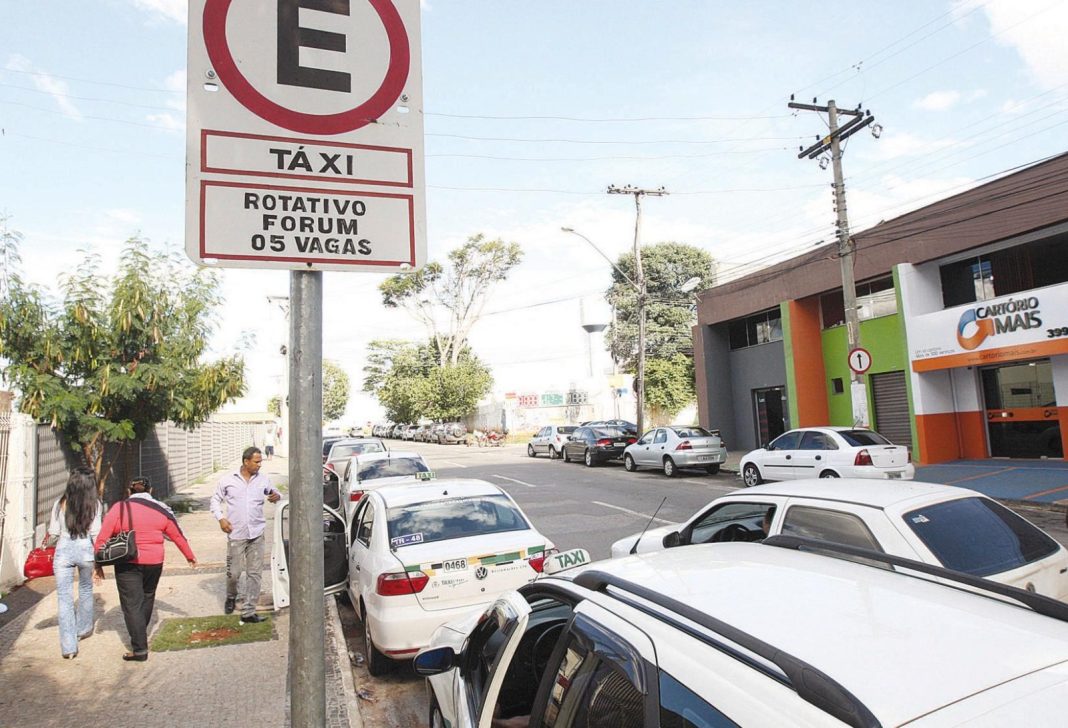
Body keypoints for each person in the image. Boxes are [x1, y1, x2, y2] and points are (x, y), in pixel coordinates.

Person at [94, 475, 196, 662]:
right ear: (151, 491)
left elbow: (103, 536)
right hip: (154, 561)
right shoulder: (161, 509)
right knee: (148, 596)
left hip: (127, 561)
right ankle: (140, 633)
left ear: (129, 491)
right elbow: (176, 535)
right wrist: (189, 556)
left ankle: (140, 649)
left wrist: (97, 563)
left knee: (131, 604)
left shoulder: (120, 508)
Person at [210, 447, 281, 623]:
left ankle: (249, 611)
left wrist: (276, 496)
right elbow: (215, 500)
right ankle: (231, 596)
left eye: (260, 461)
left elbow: (275, 493)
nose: (259, 465)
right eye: (256, 462)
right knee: (234, 573)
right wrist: (221, 519)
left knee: (255, 573)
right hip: (236, 534)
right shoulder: (228, 480)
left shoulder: (263, 480)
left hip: (257, 534)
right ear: (246, 461)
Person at [50, 467, 103, 659]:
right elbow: (96, 533)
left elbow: (53, 532)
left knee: (64, 598)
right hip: (85, 549)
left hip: (63, 550)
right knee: (86, 589)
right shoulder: (95, 504)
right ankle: (84, 628)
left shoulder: (60, 503)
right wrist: (99, 563)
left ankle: (68, 647)